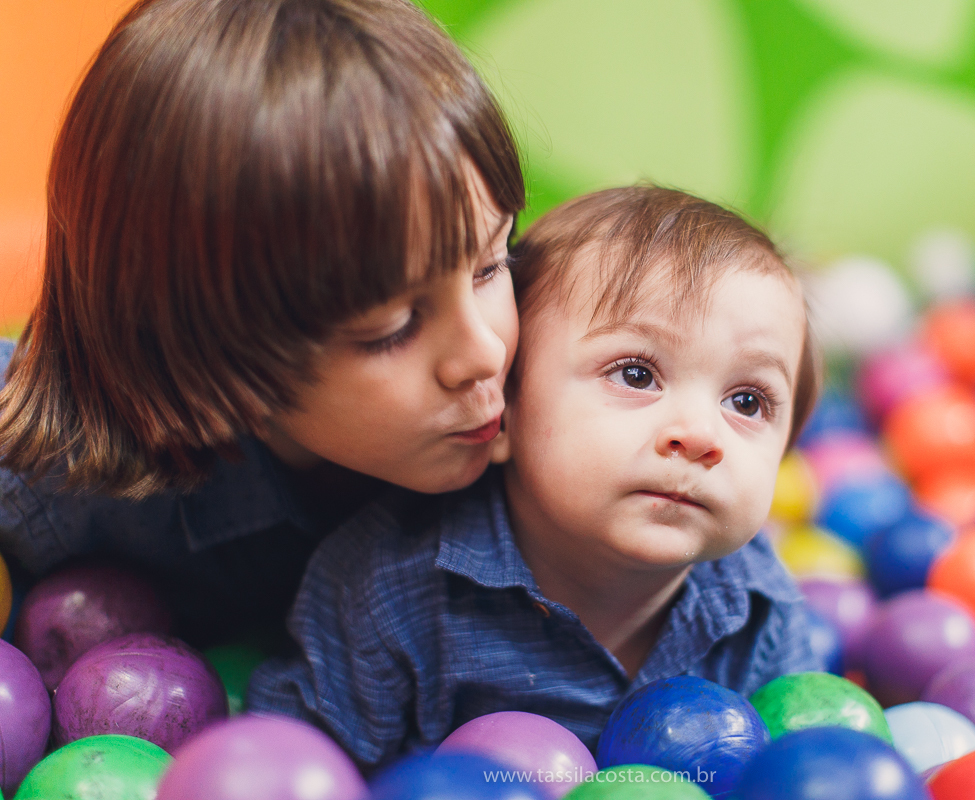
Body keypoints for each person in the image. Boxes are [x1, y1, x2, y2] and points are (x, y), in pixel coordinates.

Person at [246, 186, 826, 770]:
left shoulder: (760, 608)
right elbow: (292, 770)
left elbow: (804, 772)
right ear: (504, 411)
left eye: (747, 402)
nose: (700, 435)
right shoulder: (387, 592)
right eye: (635, 373)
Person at [0, 0, 524, 646]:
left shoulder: (565, 396)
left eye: (490, 265)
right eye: (392, 326)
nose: (485, 351)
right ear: (199, 369)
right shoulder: (54, 478)